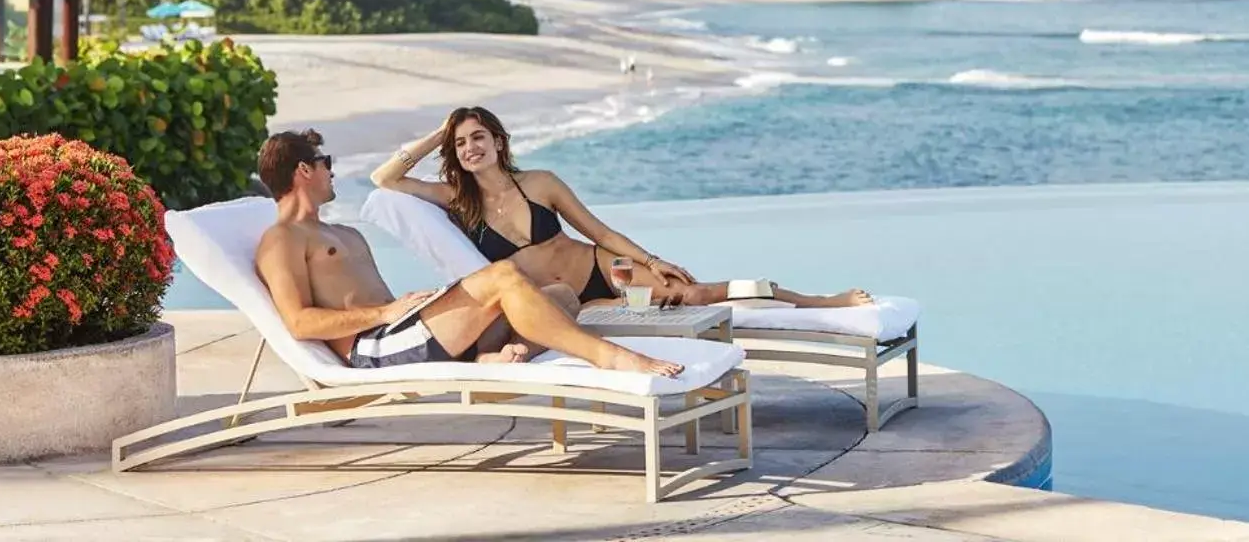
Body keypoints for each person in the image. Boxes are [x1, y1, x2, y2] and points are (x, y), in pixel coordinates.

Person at [254, 129, 681, 376]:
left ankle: (498, 356)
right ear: (304, 171)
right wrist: (383, 315)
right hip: (376, 346)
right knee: (502, 276)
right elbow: (298, 322)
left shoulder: (341, 231)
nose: (332, 170)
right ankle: (612, 358)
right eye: (325, 161)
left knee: (561, 294)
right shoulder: (282, 240)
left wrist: (421, 306)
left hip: (408, 327)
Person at [369, 106, 874, 310]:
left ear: (499, 142)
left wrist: (652, 261)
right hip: (567, 302)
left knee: (693, 293)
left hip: (603, 270)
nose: (470, 148)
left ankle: (819, 302)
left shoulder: (540, 183)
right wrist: (442, 127)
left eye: (478, 137)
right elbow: (383, 179)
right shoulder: (458, 201)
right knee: (614, 313)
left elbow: (599, 231)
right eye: (460, 144)